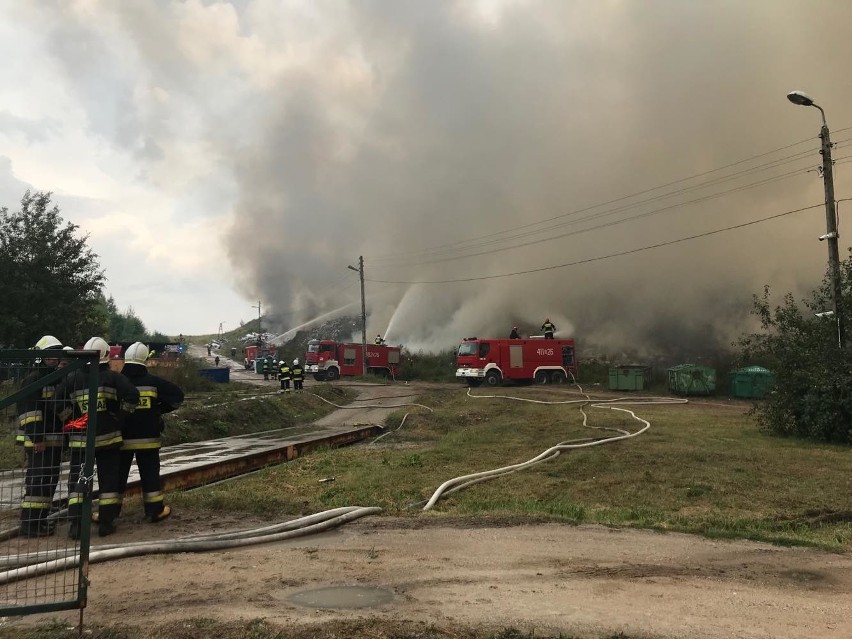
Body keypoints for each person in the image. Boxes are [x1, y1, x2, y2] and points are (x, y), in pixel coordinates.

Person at [55, 336, 140, 539]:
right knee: (108, 483)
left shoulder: (71, 378)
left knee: (77, 482)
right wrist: (118, 418)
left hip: (80, 442)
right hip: (109, 441)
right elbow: (133, 397)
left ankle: (76, 526)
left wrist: (73, 418)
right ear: (106, 355)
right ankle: (106, 524)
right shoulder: (114, 378)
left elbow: (57, 403)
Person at [118, 342, 184, 524]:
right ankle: (155, 511)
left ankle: (110, 514)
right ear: (145, 360)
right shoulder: (154, 383)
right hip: (148, 439)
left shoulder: (115, 381)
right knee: (150, 476)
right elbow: (178, 397)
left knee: (116, 477)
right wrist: (158, 410)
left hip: (120, 440)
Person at [16, 335, 66, 537]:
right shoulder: (34, 379)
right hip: (39, 442)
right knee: (38, 482)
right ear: (41, 356)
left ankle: (40, 520)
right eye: (50, 355)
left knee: (48, 481)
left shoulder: (55, 378)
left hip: (52, 441)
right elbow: (29, 413)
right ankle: (30, 525)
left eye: (56, 355)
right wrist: (37, 438)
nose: (54, 359)